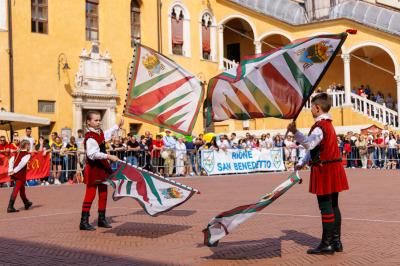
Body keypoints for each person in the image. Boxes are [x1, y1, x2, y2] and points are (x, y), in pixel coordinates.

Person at [287, 93, 349, 255]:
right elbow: (314, 149)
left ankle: (327, 244)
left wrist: (295, 132)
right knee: (334, 205)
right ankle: (336, 241)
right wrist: (301, 163)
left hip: (325, 169)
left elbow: (309, 143)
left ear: (317, 108)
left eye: (311, 107)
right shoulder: (328, 124)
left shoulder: (320, 126)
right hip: (333, 167)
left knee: (326, 206)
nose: (310, 110)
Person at [79, 111, 123, 231]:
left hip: (102, 167)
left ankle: (101, 219)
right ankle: (84, 221)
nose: (98, 122)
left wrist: (117, 126)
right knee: (90, 194)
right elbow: (92, 154)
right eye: (96, 120)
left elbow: (107, 133)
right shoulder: (90, 137)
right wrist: (109, 156)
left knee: (103, 193)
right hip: (94, 168)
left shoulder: (100, 133)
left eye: (99, 120)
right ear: (88, 122)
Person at [7, 140, 33, 213]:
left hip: (15, 173)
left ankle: (26, 203)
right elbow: (22, 164)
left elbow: (11, 161)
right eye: (29, 145)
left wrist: (11, 170)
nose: (29, 146)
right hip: (20, 174)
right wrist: (14, 171)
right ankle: (10, 207)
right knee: (16, 189)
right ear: (26, 145)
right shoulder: (27, 154)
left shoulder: (17, 153)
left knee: (22, 189)